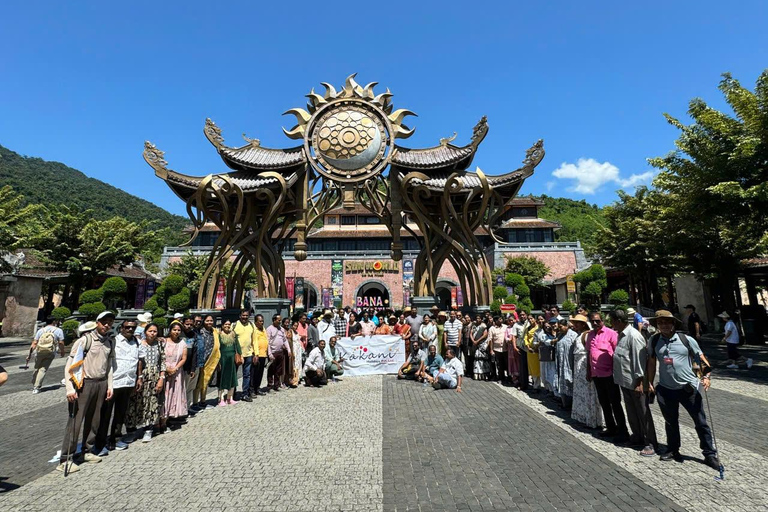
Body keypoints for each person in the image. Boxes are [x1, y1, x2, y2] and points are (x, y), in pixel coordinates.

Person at [646, 310, 720, 469]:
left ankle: (709, 454)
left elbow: (699, 358)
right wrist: (650, 382)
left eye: (667, 322)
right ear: (657, 325)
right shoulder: (654, 340)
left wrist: (705, 377)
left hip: (688, 388)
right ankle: (673, 449)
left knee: (701, 422)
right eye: (660, 323)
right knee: (670, 422)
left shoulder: (686, 339)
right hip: (666, 389)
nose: (664, 325)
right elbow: (652, 362)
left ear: (673, 324)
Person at [57, 311, 117, 473]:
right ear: (97, 322)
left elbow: (110, 365)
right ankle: (66, 458)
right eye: (104, 321)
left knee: (95, 420)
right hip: (84, 384)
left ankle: (87, 450)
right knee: (76, 421)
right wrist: (69, 388)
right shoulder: (85, 340)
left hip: (101, 383)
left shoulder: (109, 342)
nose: (107, 325)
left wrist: (110, 385)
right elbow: (70, 364)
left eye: (110, 322)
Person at [609, 309, 657, 457]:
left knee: (643, 412)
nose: (611, 324)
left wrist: (639, 382)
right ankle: (637, 436)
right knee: (631, 411)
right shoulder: (622, 335)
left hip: (636, 383)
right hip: (625, 381)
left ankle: (650, 442)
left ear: (618, 321)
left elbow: (640, 361)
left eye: (612, 321)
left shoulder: (633, 336)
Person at [95, 319, 140, 454]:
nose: (130, 330)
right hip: (113, 383)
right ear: (121, 328)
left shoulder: (136, 342)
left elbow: (139, 361)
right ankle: (100, 442)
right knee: (106, 414)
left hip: (128, 382)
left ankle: (115, 438)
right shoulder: (113, 341)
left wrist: (139, 378)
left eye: (133, 327)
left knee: (120, 413)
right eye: (127, 327)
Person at [586, 311, 628, 442]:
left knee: (615, 403)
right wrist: (589, 371)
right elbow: (589, 354)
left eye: (597, 321)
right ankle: (611, 427)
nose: (595, 323)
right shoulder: (590, 335)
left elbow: (618, 353)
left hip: (610, 375)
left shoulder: (611, 333)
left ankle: (623, 430)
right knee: (604, 402)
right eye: (592, 321)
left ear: (602, 321)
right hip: (596, 375)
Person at [126, 322, 166, 444]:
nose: (152, 333)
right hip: (140, 375)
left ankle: (148, 429)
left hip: (154, 375)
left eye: (155, 331)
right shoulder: (139, 344)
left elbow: (163, 362)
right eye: (150, 331)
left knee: (152, 401)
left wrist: (161, 378)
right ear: (145, 332)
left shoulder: (160, 344)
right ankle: (131, 430)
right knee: (135, 401)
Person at [570, 314, 603, 429]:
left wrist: (589, 370)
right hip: (578, 367)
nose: (575, 325)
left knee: (589, 393)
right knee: (582, 393)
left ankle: (592, 418)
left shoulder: (587, 335)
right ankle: (583, 416)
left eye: (577, 323)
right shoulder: (579, 335)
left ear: (583, 324)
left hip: (585, 367)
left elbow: (590, 352)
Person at [28, 316, 65, 393]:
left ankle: (34, 382)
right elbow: (61, 342)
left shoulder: (41, 330)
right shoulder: (58, 330)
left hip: (39, 351)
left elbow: (35, 343)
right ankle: (36, 387)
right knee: (43, 368)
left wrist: (29, 354)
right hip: (50, 351)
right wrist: (62, 351)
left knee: (36, 367)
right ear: (54, 322)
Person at [163, 321, 188, 429]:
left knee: (173, 394)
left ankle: (169, 417)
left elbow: (184, 358)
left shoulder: (182, 343)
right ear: (170, 330)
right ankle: (161, 419)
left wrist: (175, 368)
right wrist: (166, 368)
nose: (176, 332)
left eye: (178, 330)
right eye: (174, 329)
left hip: (176, 372)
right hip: (164, 370)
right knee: (163, 395)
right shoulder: (163, 341)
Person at [194, 314, 218, 409]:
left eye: (211, 321)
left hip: (210, 359)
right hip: (201, 360)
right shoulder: (200, 332)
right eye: (207, 321)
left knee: (205, 381)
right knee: (197, 382)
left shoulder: (214, 332)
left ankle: (203, 401)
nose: (209, 322)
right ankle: (195, 402)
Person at [233, 309, 257, 401]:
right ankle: (233, 392)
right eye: (243, 315)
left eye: (247, 315)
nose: (245, 317)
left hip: (248, 354)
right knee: (234, 374)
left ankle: (245, 394)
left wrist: (256, 353)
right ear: (240, 316)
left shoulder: (251, 325)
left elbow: (254, 340)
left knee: (247, 375)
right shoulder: (234, 325)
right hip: (237, 354)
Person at [216, 320, 241, 406]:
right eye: (225, 324)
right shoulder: (219, 335)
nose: (227, 326)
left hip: (232, 359)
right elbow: (217, 348)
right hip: (223, 358)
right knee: (222, 378)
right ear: (222, 325)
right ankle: (221, 399)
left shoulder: (233, 334)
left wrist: (240, 355)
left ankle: (229, 398)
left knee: (232, 378)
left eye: (229, 324)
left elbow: (237, 345)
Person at [553, 318, 576, 409]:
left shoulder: (573, 335)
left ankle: (572, 404)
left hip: (569, 362)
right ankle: (564, 403)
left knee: (570, 381)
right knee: (561, 381)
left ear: (566, 326)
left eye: (561, 327)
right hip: (561, 363)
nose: (560, 329)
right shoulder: (560, 335)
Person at [183, 315, 204, 413]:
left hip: (192, 366)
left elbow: (195, 352)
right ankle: (180, 409)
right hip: (181, 367)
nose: (189, 326)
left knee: (190, 388)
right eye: (187, 324)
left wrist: (193, 368)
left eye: (191, 324)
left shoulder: (194, 335)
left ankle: (187, 407)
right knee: (182, 389)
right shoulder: (180, 334)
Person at [267, 315, 289, 392]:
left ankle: (276, 385)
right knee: (271, 370)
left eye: (280, 320)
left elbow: (284, 340)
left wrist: (288, 350)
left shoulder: (282, 329)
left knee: (278, 370)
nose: (280, 322)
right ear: (274, 320)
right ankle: (270, 385)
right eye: (278, 320)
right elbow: (268, 342)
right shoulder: (269, 329)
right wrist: (269, 354)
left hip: (280, 352)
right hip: (273, 352)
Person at [538, 318, 558, 395]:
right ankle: (550, 390)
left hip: (556, 358)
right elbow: (549, 342)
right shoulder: (544, 336)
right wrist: (557, 339)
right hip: (548, 358)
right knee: (548, 374)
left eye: (548, 326)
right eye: (545, 327)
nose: (547, 328)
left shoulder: (557, 333)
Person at [251, 314, 269, 395]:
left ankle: (257, 388)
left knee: (260, 373)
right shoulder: (254, 330)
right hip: (256, 355)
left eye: (262, 321)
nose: (262, 322)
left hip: (263, 355)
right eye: (260, 321)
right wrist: (255, 354)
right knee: (254, 373)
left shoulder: (263, 329)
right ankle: (252, 389)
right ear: (255, 322)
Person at [525, 315, 543, 391]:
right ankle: (534, 383)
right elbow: (525, 338)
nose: (530, 320)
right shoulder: (528, 328)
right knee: (532, 368)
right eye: (528, 319)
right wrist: (528, 346)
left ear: (535, 319)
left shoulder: (539, 328)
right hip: (530, 350)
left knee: (538, 368)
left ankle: (537, 385)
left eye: (531, 318)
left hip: (537, 350)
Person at [488, 316, 507, 383]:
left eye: (501, 319)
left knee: (507, 364)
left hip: (506, 348)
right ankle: (501, 377)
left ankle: (509, 377)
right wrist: (491, 350)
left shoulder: (505, 327)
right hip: (497, 349)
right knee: (499, 364)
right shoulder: (491, 329)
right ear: (496, 321)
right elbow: (490, 340)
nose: (501, 320)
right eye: (500, 319)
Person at [514, 312, 530, 390]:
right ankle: (524, 384)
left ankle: (535, 385)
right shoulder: (516, 325)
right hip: (521, 347)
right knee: (523, 367)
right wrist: (515, 347)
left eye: (523, 314)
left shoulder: (530, 322)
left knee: (531, 366)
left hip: (530, 347)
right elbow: (514, 336)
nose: (522, 316)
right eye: (520, 315)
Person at [470, 315, 490, 380]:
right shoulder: (474, 326)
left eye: (479, 318)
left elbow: (485, 335)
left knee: (482, 358)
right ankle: (477, 373)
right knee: (476, 358)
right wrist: (473, 340)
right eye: (477, 318)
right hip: (475, 343)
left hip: (481, 344)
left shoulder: (483, 326)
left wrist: (478, 341)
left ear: (481, 319)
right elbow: (471, 333)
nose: (478, 319)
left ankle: (484, 374)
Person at [505, 315, 520, 386]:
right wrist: (509, 340)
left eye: (512, 320)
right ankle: (514, 378)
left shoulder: (517, 326)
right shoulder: (507, 328)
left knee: (518, 362)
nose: (511, 322)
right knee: (512, 362)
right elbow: (505, 338)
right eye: (509, 320)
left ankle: (520, 378)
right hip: (510, 348)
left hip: (518, 346)